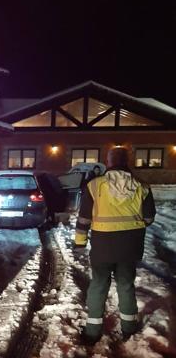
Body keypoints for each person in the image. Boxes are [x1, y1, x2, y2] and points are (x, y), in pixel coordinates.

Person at [74, 147, 156, 344]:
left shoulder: (94, 185)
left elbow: (84, 218)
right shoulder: (141, 186)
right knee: (126, 285)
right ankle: (129, 329)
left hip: (102, 245)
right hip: (130, 245)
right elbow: (149, 218)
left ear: (108, 162)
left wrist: (80, 243)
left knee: (99, 285)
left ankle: (93, 332)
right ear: (127, 161)